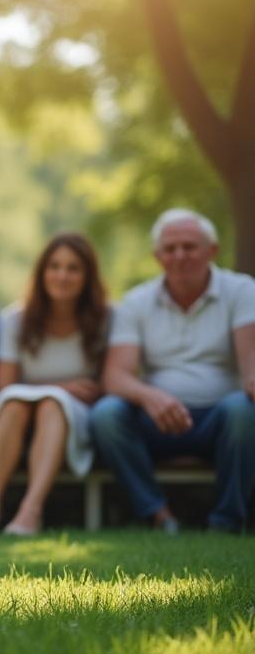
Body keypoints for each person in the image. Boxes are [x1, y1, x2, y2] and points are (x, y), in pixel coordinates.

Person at [90, 209, 255, 534]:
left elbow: (250, 362)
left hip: (220, 421)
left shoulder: (242, 291)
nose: (180, 255)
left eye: (190, 246)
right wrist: (150, 397)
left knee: (243, 411)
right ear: (157, 256)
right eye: (170, 248)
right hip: (157, 421)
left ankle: (227, 521)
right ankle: (158, 516)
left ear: (212, 251)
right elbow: (115, 377)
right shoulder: (136, 302)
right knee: (106, 415)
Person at [0, 233, 110, 537]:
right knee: (15, 403)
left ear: (88, 276)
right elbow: (4, 385)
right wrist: (64, 386)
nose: (62, 276)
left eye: (73, 268)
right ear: (42, 273)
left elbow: (104, 386)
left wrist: (58, 393)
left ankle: (31, 512)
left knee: (52, 404)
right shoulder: (16, 319)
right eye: (54, 267)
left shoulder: (108, 318)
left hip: (74, 416)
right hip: (17, 412)